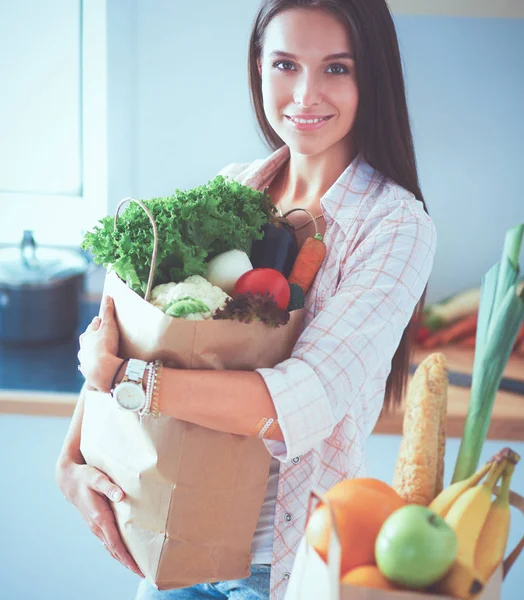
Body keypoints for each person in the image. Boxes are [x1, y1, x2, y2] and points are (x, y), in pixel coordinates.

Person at [56, 1, 437, 599]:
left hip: (278, 567)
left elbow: (305, 399)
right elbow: (133, 327)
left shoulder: (393, 227)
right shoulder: (235, 186)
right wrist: (69, 462)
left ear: (374, 77)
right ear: (258, 68)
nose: (306, 94)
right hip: (170, 536)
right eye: (286, 64)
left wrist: (128, 378)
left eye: (337, 68)